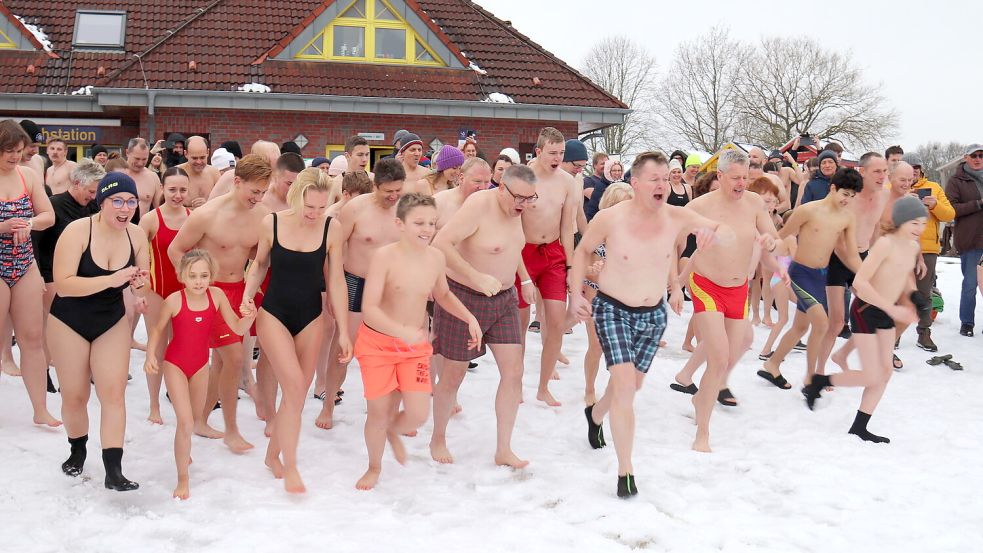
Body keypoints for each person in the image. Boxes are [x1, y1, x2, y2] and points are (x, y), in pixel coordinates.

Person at [572, 151, 718, 497]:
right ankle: (626, 472)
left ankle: (595, 416)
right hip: (612, 308)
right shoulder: (610, 218)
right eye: (655, 179)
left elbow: (717, 227)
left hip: (653, 314)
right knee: (624, 386)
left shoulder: (677, 216)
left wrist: (715, 233)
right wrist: (576, 294)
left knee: (631, 385)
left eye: (666, 178)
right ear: (635, 183)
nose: (662, 185)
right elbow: (582, 252)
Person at [354, 193, 481, 490]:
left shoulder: (435, 257)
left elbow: (444, 295)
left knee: (417, 414)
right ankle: (374, 466)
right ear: (400, 224)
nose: (427, 229)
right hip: (378, 345)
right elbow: (369, 308)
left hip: (413, 348)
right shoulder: (384, 257)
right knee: (377, 412)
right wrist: (401, 331)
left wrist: (470, 318)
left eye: (432, 223)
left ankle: (393, 431)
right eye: (419, 223)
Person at [244, 167, 350, 493]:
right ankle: (291, 467)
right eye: (310, 207)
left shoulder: (332, 229)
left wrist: (344, 330)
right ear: (296, 198)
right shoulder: (272, 223)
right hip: (273, 312)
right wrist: (248, 295)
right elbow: (260, 264)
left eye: (321, 207)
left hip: (311, 316)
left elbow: (335, 280)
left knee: (298, 398)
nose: (315, 214)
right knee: (291, 387)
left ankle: (272, 456)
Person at [429, 164, 538, 468]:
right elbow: (441, 243)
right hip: (464, 297)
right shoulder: (479, 205)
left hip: (503, 299)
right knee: (454, 374)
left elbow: (510, 248)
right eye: (519, 198)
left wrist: (525, 280)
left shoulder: (518, 212)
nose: (524, 205)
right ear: (501, 188)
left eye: (530, 199)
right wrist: (476, 277)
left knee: (514, 372)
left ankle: (504, 448)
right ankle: (438, 437)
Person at [49, 171, 149, 490]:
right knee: (76, 395)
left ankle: (114, 470)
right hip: (69, 320)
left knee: (113, 393)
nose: (125, 207)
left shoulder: (136, 235)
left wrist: (140, 286)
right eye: (117, 200)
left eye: (131, 201)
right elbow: (63, 285)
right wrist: (111, 280)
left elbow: (143, 278)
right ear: (101, 201)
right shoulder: (78, 231)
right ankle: (77, 450)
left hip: (111, 320)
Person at [168, 154, 273, 452]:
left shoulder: (262, 215)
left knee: (222, 362)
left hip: (239, 290)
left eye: (263, 192)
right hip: (211, 292)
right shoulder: (207, 215)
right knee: (235, 360)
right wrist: (195, 286)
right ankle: (231, 429)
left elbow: (259, 257)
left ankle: (201, 420)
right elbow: (176, 250)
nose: (258, 197)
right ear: (237, 182)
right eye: (254, 191)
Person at [802, 196, 927, 443]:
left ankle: (860, 427)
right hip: (866, 311)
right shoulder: (885, 244)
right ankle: (820, 381)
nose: (919, 228)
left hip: (886, 311)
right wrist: (893, 311)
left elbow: (905, 277)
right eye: (914, 222)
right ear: (901, 221)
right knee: (872, 375)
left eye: (923, 223)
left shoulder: (912, 247)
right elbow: (859, 283)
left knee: (885, 373)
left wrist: (914, 296)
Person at [685, 149, 782, 452]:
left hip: (738, 288)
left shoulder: (754, 203)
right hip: (706, 285)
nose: (742, 183)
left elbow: (773, 237)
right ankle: (703, 433)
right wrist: (675, 284)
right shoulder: (700, 205)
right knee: (718, 357)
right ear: (720, 176)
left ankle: (701, 395)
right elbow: (675, 238)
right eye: (736, 178)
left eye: (746, 177)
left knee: (729, 356)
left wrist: (770, 241)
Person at [144, 249, 256, 499]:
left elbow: (237, 326)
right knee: (184, 423)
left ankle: (184, 448)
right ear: (182, 275)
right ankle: (183, 479)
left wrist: (250, 317)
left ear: (211, 276)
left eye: (204, 275)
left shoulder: (216, 296)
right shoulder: (174, 300)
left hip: (199, 367)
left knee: (194, 419)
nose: (198, 281)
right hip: (175, 365)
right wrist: (151, 355)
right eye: (193, 276)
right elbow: (157, 330)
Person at [317, 159, 406, 430]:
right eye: (387, 191)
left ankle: (382, 409)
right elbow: (333, 250)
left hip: (390, 288)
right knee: (345, 350)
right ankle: (328, 404)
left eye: (397, 191)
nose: (393, 197)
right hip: (356, 282)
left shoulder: (405, 209)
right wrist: (333, 290)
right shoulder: (355, 208)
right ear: (375, 185)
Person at [761, 168, 864, 389]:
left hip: (821, 276)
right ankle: (811, 377)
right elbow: (783, 236)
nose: (848, 200)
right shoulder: (808, 210)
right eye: (845, 194)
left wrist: (865, 277)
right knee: (821, 323)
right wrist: (770, 245)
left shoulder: (847, 218)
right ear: (833, 188)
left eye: (853, 197)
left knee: (800, 327)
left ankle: (773, 363)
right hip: (800, 273)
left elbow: (852, 254)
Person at [0, 120, 58, 426]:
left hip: (23, 263)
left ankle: (40, 409)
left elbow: (48, 215)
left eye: (18, 151)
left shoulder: (29, 175)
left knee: (33, 338)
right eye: (8, 151)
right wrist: (4, 227)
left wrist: (29, 224)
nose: (14, 157)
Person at [517, 127, 578, 407]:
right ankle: (514, 382)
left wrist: (570, 266)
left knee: (555, 321)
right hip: (524, 252)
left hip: (553, 253)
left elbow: (567, 228)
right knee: (518, 327)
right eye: (552, 153)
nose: (557, 158)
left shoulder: (568, 182)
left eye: (561, 153)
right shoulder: (521, 177)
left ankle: (543, 386)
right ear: (538, 151)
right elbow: (510, 223)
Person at [820, 154, 891, 374]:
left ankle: (842, 355)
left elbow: (876, 228)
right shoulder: (848, 197)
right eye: (877, 172)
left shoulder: (884, 195)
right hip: (838, 260)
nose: (882, 176)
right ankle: (818, 372)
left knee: (875, 313)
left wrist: (876, 259)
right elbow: (839, 242)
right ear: (863, 172)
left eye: (885, 171)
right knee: (837, 322)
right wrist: (861, 271)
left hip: (863, 256)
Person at [36, 159, 102, 377]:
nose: (94, 196)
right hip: (51, 274)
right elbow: (35, 243)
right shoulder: (53, 205)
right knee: (55, 324)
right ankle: (44, 370)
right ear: (75, 183)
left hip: (82, 274)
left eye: (96, 192)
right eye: (90, 191)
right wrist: (37, 276)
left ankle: (88, 368)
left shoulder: (93, 206)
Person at [138, 167, 191, 425]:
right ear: (162, 189)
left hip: (187, 294)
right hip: (158, 291)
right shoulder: (151, 219)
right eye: (172, 189)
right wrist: (140, 288)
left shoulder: (194, 217)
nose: (178, 195)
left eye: (182, 189)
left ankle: (183, 398)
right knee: (156, 348)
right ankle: (154, 404)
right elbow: (136, 253)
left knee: (184, 349)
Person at [581, 182, 633, 405]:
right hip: (596, 292)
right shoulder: (597, 228)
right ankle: (589, 388)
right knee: (596, 346)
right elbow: (582, 263)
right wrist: (592, 271)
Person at [904, 153, 954, 351]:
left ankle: (924, 333)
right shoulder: (894, 187)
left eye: (916, 166)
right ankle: (893, 334)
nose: (913, 170)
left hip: (927, 249)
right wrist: (904, 200)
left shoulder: (934, 188)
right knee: (897, 292)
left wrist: (935, 205)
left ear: (921, 169)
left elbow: (950, 214)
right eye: (909, 167)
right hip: (899, 247)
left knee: (925, 294)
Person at [944, 144, 983, 337]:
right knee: (970, 284)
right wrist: (978, 204)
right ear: (966, 158)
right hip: (971, 239)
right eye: (974, 155)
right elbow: (951, 209)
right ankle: (967, 323)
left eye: (981, 155)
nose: (978, 159)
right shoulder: (956, 180)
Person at [177, 136, 221, 208]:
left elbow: (224, 202)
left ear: (208, 152)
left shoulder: (214, 173)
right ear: (186, 154)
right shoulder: (176, 173)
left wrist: (208, 204)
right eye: (194, 158)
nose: (199, 162)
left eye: (202, 157)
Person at [124, 138, 162, 216]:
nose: (140, 163)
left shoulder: (153, 177)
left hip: (142, 226)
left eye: (144, 159)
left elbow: (160, 210)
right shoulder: (115, 174)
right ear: (127, 153)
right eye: (137, 159)